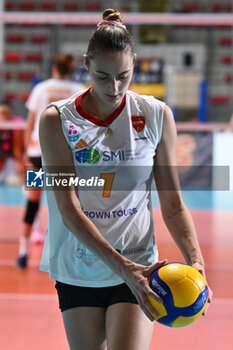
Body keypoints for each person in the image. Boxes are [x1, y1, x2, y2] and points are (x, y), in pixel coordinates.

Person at [39, 9, 212, 350]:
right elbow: (68, 208)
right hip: (80, 265)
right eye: (103, 76)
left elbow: (173, 205)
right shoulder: (57, 120)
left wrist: (196, 263)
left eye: (124, 75)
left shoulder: (155, 115)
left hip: (140, 268)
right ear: (85, 64)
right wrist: (121, 267)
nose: (114, 87)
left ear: (135, 62)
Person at [16, 53, 85, 268]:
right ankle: (68, 254)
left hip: (38, 153)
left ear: (54, 67)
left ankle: (23, 250)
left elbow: (31, 122)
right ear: (70, 69)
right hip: (63, 154)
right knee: (67, 204)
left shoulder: (41, 88)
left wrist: (28, 149)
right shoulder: (78, 90)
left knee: (32, 202)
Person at [0, 101, 24, 185]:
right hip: (2, 150)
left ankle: (23, 180)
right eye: (2, 113)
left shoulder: (17, 122)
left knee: (20, 158)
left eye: (6, 113)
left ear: (10, 113)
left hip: (14, 148)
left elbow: (17, 148)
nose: (4, 116)